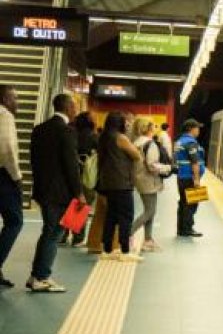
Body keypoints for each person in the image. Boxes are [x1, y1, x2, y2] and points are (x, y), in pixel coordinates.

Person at [28, 94, 84, 292]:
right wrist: (79, 193)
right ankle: (41, 277)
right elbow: (71, 166)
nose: (76, 110)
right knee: (53, 232)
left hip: (43, 189)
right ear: (68, 107)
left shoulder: (39, 129)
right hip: (60, 193)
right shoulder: (67, 132)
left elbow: (33, 160)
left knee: (49, 231)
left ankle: (36, 274)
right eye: (75, 106)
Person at [96, 112, 144, 262]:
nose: (127, 124)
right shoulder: (120, 138)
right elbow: (136, 155)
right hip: (122, 183)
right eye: (125, 122)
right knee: (126, 216)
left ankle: (107, 249)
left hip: (108, 182)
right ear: (120, 123)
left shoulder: (103, 137)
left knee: (111, 217)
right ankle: (124, 251)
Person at [131, 117, 173, 252]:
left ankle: (148, 240)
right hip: (149, 180)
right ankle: (126, 234)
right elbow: (152, 165)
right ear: (148, 128)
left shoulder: (136, 142)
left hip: (139, 179)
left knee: (150, 211)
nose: (155, 128)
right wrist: (169, 168)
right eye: (153, 125)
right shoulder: (150, 144)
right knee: (150, 211)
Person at [63, 112, 98, 247]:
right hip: (88, 174)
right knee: (81, 205)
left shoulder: (71, 134)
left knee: (70, 203)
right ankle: (77, 237)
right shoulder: (94, 137)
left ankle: (64, 234)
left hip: (71, 173)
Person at [0, 85, 22, 288]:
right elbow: (7, 148)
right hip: (3, 177)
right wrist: (16, 177)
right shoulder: (5, 115)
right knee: (15, 221)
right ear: (5, 100)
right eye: (14, 98)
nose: (18, 102)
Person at [175, 118, 206, 237]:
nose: (198, 130)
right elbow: (194, 162)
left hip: (182, 176)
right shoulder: (190, 143)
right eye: (197, 127)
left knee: (183, 202)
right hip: (189, 177)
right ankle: (188, 229)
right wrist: (197, 179)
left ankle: (181, 229)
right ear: (190, 129)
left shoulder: (180, 141)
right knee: (191, 202)